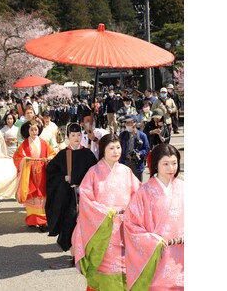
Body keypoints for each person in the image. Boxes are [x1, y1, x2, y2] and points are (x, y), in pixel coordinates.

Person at [72, 134, 141, 291]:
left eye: (118, 147)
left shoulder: (126, 171)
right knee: (105, 264)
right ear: (103, 150)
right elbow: (86, 201)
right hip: (101, 229)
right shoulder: (93, 172)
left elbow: (139, 196)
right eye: (111, 148)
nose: (116, 151)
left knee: (125, 265)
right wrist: (108, 212)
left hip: (125, 227)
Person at [124, 144, 184, 290]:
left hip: (182, 255)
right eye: (166, 164)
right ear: (156, 165)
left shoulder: (183, 187)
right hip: (157, 254)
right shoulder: (144, 192)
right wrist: (152, 240)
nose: (171, 168)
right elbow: (130, 224)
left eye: (174, 163)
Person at [45, 123, 98, 268]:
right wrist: (63, 179)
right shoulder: (63, 154)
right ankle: (74, 255)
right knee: (71, 224)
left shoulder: (88, 154)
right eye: (73, 135)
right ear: (68, 137)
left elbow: (96, 173)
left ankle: (87, 253)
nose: (76, 138)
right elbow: (51, 172)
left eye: (79, 135)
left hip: (86, 197)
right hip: (69, 197)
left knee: (87, 224)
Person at [12, 120, 56, 229]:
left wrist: (50, 158)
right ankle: (32, 220)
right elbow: (17, 157)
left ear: (39, 130)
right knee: (32, 195)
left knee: (42, 196)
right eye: (31, 129)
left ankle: (42, 221)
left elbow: (52, 153)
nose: (34, 131)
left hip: (42, 172)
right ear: (27, 131)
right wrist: (25, 160)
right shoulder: (24, 144)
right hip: (30, 173)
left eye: (36, 129)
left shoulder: (44, 142)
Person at [119, 115, 150, 182]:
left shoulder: (142, 136)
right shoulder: (122, 135)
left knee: (138, 184)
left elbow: (147, 149)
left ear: (135, 123)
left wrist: (140, 153)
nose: (128, 125)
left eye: (130, 122)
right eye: (126, 123)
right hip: (125, 162)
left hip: (137, 163)